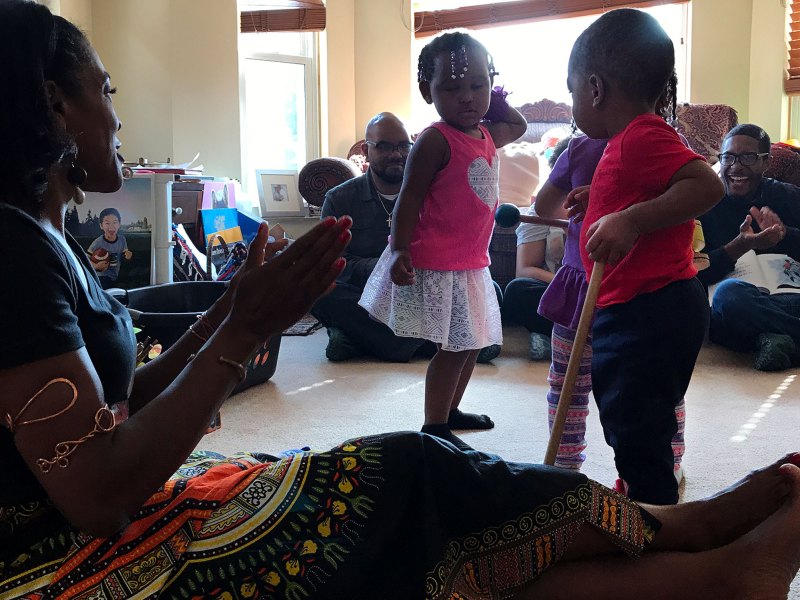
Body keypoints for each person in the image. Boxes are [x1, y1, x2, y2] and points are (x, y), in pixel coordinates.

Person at [5, 5, 800, 599]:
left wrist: (231, 311)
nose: (116, 110)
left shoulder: (40, 240)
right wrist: (243, 326)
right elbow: (98, 496)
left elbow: (123, 400)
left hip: (123, 505)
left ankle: (685, 536)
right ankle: (708, 567)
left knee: (426, 479)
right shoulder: (11, 255)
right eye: (104, 89)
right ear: (55, 106)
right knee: (405, 494)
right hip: (50, 556)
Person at [566, 9, 724, 504]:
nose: (573, 100)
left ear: (595, 88)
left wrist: (630, 221)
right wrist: (601, 198)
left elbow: (706, 184)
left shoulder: (642, 135)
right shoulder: (628, 142)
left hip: (649, 311)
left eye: (571, 88)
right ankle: (639, 491)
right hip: (639, 306)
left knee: (637, 427)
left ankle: (655, 526)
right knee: (629, 419)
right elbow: (645, 186)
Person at [359, 32, 528, 445]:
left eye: (479, 86)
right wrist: (399, 248)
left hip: (472, 261)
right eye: (452, 88)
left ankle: (451, 411)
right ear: (427, 91)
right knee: (453, 348)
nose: (467, 97)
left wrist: (498, 96)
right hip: (436, 262)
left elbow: (519, 125)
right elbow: (408, 199)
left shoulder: (488, 134)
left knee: (470, 345)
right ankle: (434, 427)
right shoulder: (435, 139)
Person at [310, 112, 436, 362]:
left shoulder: (432, 195)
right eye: (384, 146)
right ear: (367, 151)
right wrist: (381, 269)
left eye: (402, 146)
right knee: (316, 289)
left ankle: (355, 340)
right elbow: (331, 263)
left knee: (488, 289)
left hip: (417, 288)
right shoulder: (339, 199)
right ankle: (421, 344)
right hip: (362, 292)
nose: (396, 154)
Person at [697, 124, 800, 371]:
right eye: (728, 157)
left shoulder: (789, 196)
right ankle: (783, 341)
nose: (736, 166)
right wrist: (739, 246)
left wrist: (785, 235)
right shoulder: (702, 202)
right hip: (738, 303)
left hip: (791, 298)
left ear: (766, 163)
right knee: (728, 297)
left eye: (748, 157)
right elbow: (695, 272)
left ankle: (779, 341)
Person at [500, 141, 568, 363]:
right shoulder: (539, 210)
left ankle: (563, 336)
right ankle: (553, 334)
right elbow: (525, 270)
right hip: (560, 290)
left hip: (602, 292)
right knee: (517, 291)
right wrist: (570, 281)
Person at [86, 206, 133, 288]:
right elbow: (85, 259)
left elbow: (124, 256)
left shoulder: (122, 239)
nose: (111, 226)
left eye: (115, 222)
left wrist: (128, 256)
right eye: (107, 223)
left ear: (119, 224)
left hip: (115, 276)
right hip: (100, 277)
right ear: (101, 226)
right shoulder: (98, 242)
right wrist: (96, 266)